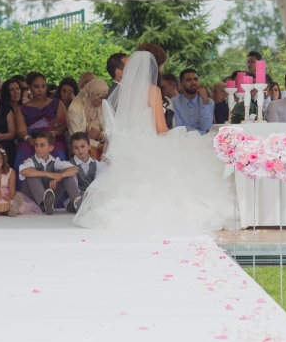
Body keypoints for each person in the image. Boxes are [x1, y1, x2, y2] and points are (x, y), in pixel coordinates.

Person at [73, 50, 233, 235]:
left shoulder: (124, 92)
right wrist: (176, 139)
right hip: (148, 144)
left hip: (129, 149)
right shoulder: (152, 90)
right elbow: (161, 129)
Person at [15, 72, 69, 181]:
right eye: (36, 87)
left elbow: (63, 126)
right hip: (32, 140)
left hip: (53, 140)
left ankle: (58, 187)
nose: (40, 90)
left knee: (58, 152)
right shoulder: (22, 109)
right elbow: (21, 130)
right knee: (23, 152)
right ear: (30, 87)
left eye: (43, 86)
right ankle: (24, 189)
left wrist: (56, 133)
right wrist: (27, 138)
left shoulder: (57, 103)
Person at [19, 132, 82, 215]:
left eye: (42, 145)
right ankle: (44, 201)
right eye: (36, 145)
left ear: (51, 148)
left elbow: (74, 169)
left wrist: (59, 176)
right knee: (32, 172)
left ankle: (77, 201)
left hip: (50, 205)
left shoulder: (55, 161)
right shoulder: (30, 161)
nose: (38, 148)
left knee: (66, 172)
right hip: (32, 203)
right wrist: (49, 174)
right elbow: (23, 171)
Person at [67, 78, 109, 159]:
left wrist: (100, 136)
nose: (102, 101)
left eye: (104, 98)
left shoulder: (101, 105)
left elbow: (109, 129)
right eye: (100, 97)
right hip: (82, 145)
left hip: (102, 141)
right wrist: (99, 145)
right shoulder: (74, 108)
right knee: (93, 152)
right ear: (91, 95)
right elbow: (77, 137)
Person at [68, 132, 109, 209]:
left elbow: (98, 183)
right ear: (72, 150)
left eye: (82, 146)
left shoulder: (96, 164)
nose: (80, 150)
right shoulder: (69, 165)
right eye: (76, 148)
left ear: (89, 147)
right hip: (74, 200)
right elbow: (73, 187)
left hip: (91, 197)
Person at [172, 68, 214, 134]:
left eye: (195, 79)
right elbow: (178, 129)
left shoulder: (209, 102)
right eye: (189, 80)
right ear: (181, 85)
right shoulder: (173, 102)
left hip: (204, 139)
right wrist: (203, 133)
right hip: (182, 139)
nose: (193, 82)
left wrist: (205, 102)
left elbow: (206, 127)